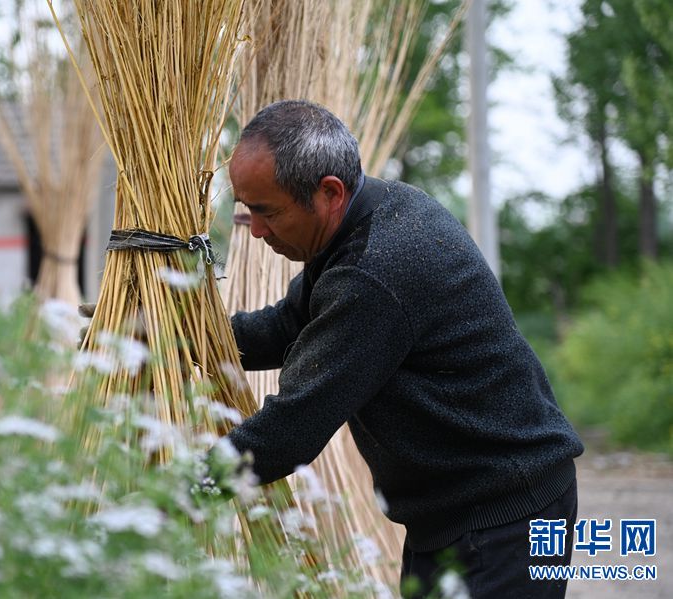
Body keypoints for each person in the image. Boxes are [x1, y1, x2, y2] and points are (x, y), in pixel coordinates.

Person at [223, 100, 584, 598]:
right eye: (247, 211)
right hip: (455, 512)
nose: (256, 230)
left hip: (502, 516)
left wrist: (183, 483)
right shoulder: (366, 222)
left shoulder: (376, 268)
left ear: (328, 192)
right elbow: (288, 326)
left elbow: (295, 425)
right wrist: (181, 335)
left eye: (267, 212)